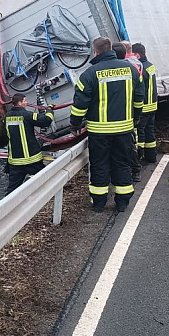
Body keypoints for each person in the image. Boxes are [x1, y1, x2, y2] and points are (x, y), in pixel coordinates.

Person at [70, 37, 143, 212]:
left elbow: (80, 104)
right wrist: (136, 118)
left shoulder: (89, 74)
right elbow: (139, 97)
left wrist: (75, 124)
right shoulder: (131, 70)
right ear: (110, 48)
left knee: (99, 165)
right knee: (122, 163)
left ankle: (99, 203)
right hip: (124, 129)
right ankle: (122, 202)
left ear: (96, 51)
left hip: (99, 131)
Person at [5, 94, 53, 195]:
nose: (26, 102)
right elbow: (46, 121)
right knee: (46, 182)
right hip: (32, 160)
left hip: (15, 162)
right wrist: (50, 110)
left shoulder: (7, 116)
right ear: (19, 103)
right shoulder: (27, 115)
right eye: (24, 101)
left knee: (11, 193)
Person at [113, 42, 142, 182]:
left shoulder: (129, 67)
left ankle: (135, 169)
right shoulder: (135, 65)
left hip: (124, 112)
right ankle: (135, 169)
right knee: (129, 144)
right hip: (128, 112)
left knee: (129, 145)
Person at [133, 43, 158, 164]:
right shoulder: (150, 66)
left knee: (140, 133)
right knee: (150, 131)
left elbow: (139, 89)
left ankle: (139, 157)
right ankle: (151, 156)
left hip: (144, 107)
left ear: (137, 55)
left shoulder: (141, 68)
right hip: (152, 105)